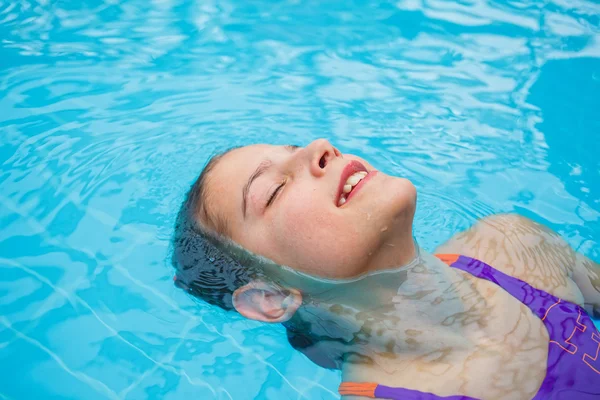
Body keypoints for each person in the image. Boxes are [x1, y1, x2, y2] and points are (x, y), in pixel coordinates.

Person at [171, 139, 600, 400]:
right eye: (275, 189)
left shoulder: (514, 244)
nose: (319, 146)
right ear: (270, 297)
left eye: (293, 147)